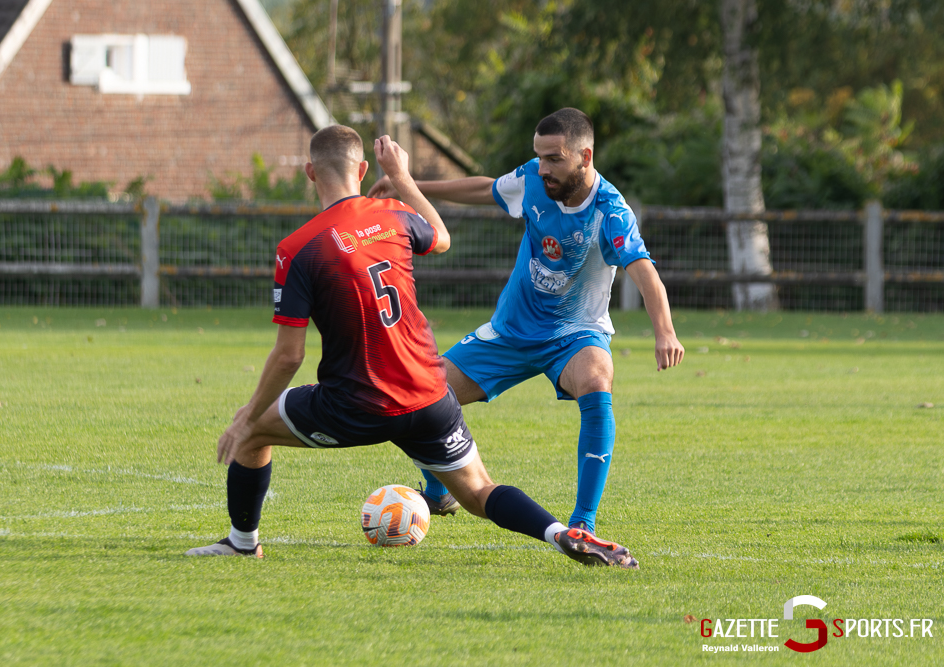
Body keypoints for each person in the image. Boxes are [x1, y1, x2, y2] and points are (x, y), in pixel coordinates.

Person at [185, 125, 639, 568]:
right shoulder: (393, 216)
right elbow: (440, 237)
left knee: (253, 433)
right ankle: (561, 533)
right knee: (480, 492)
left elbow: (289, 356)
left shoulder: (299, 247)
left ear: (310, 173)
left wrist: (247, 414)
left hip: (355, 402)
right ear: (362, 170)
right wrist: (402, 181)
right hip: (429, 395)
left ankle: (242, 543)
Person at [368, 108, 684, 535]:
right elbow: (486, 188)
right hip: (509, 333)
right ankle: (438, 490)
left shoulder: (611, 211)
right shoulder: (534, 181)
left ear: (584, 156)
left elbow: (643, 270)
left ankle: (583, 523)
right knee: (420, 392)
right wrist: (411, 185)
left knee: (596, 376)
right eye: (538, 157)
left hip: (573, 334)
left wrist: (664, 330)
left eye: (554, 158)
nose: (543, 168)